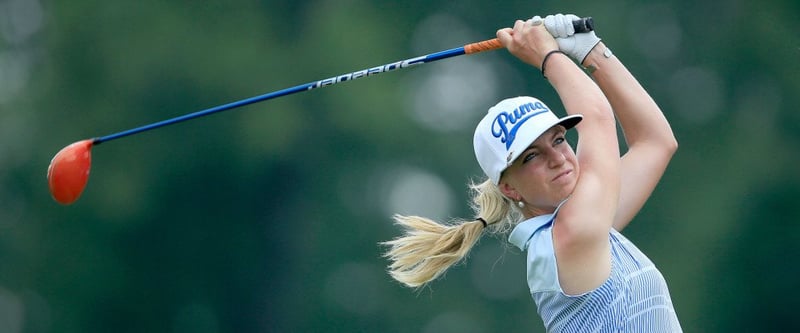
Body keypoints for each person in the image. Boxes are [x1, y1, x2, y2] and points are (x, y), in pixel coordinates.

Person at [382, 13, 682, 332]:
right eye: (532, 156)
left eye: (559, 139)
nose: (557, 158)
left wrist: (590, 48)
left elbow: (655, 142)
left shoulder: (588, 224)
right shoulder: (571, 236)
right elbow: (598, 119)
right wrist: (547, 56)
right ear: (510, 189)